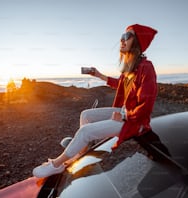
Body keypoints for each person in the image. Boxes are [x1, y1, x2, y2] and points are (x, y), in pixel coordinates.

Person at [33, 24, 158, 178]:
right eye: (121, 37)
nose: (122, 40)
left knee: (85, 131)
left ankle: (57, 164)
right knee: (86, 115)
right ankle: (81, 152)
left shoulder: (146, 67)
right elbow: (121, 84)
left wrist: (125, 116)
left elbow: (146, 105)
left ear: (138, 41)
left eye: (127, 36)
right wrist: (99, 75)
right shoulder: (132, 68)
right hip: (125, 113)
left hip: (135, 121)